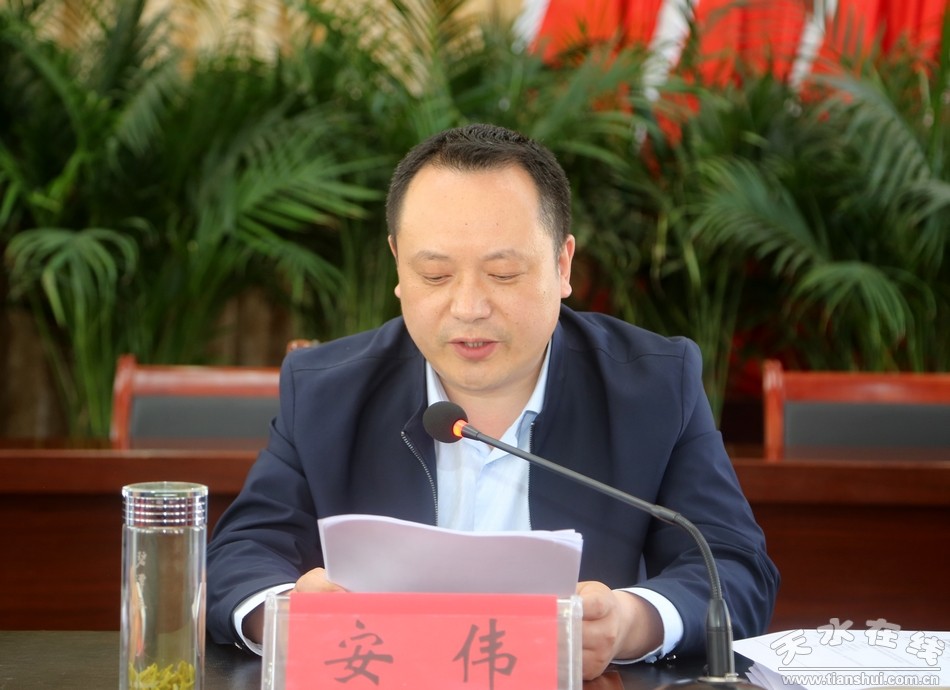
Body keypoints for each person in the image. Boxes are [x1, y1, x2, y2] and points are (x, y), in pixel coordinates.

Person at [206, 123, 779, 680]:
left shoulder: (653, 386)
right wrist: (288, 615)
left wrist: (629, 623)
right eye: (435, 275)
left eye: (502, 274)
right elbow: (241, 554)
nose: (469, 307)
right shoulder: (325, 390)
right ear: (398, 266)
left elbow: (733, 565)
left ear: (562, 265)